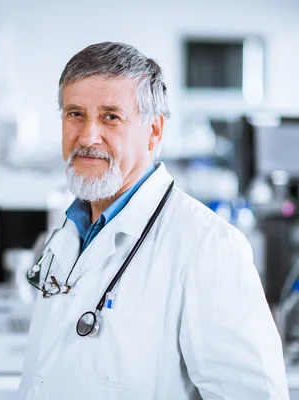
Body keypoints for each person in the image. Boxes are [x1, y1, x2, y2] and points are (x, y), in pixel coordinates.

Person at [18, 42, 289, 400]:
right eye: (75, 114)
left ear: (154, 131)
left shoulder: (206, 246)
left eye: (111, 116)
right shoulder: (68, 231)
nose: (88, 136)